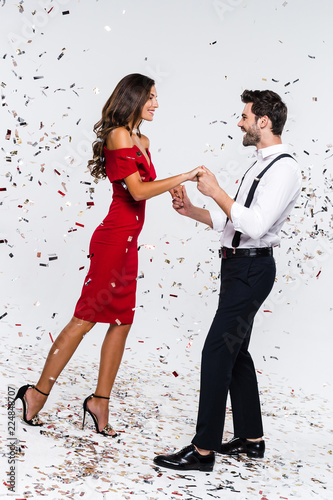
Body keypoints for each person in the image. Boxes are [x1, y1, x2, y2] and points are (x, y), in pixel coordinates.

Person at [13, 73, 203, 436]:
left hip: (129, 245)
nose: (156, 104)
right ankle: (36, 393)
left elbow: (146, 187)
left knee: (122, 321)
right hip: (113, 240)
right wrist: (185, 175)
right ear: (133, 98)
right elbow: (137, 191)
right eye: (150, 97)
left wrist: (174, 191)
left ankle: (99, 401)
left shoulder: (143, 140)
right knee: (85, 318)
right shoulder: (118, 134)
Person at [154, 89, 302, 471]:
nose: (240, 122)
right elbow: (235, 223)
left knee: (217, 352)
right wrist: (191, 210)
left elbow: (255, 224)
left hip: (252, 271)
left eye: (245, 116)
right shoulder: (259, 163)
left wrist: (217, 190)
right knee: (236, 353)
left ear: (263, 122)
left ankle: (202, 451)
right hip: (237, 266)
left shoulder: (284, 169)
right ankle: (252, 440)